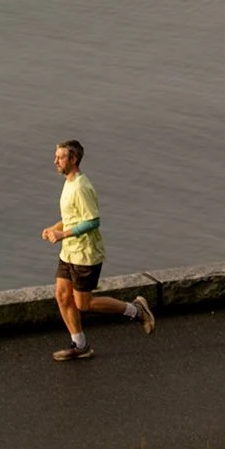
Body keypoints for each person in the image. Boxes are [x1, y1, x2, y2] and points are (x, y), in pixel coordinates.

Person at [41, 139, 154, 360]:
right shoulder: (69, 182)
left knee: (84, 304)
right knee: (62, 296)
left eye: (60, 157)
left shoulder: (82, 187)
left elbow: (92, 221)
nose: (55, 161)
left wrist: (62, 234)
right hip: (69, 252)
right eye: (55, 156)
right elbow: (73, 218)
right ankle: (80, 345)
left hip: (85, 255)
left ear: (73, 160)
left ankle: (136, 310)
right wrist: (54, 228)